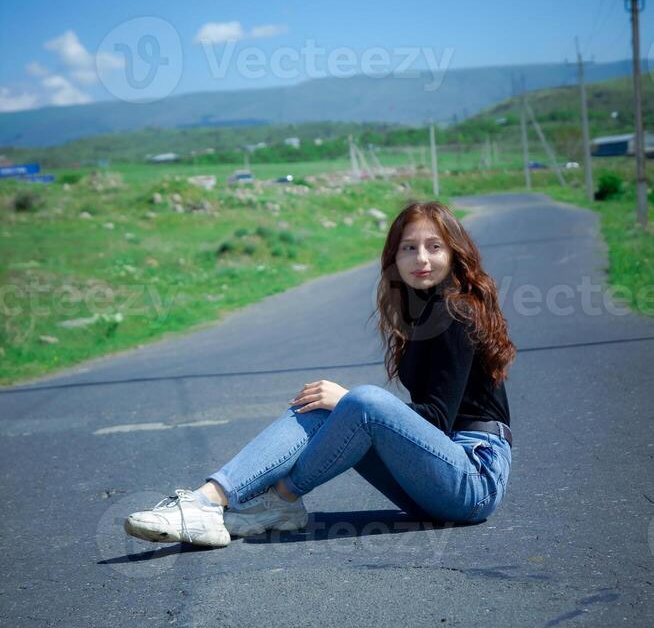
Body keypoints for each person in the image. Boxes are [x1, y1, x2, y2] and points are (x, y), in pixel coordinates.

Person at [124, 200, 516, 548]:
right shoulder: (419, 314)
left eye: (434, 247)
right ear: (393, 259)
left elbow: (437, 418)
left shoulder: (456, 310)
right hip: (435, 481)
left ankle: (275, 500)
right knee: (323, 404)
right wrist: (343, 406)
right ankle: (207, 501)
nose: (421, 259)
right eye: (408, 249)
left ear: (455, 253)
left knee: (358, 401)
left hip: (474, 478)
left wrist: (349, 402)